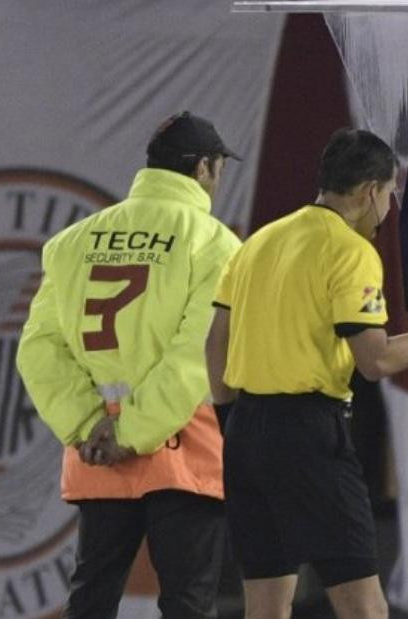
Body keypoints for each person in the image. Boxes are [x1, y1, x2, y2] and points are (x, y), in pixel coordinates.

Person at [205, 128, 408, 619]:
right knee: (365, 608)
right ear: (371, 190)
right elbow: (376, 361)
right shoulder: (350, 252)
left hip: (246, 432)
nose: (389, 209)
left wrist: (231, 423)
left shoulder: (257, 242)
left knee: (265, 607)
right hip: (309, 436)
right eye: (390, 195)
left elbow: (215, 344)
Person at [16, 111, 243, 619]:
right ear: (204, 167)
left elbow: (38, 348)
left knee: (92, 596)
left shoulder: (72, 243)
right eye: (220, 168)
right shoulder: (214, 242)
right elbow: (198, 350)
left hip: (97, 447)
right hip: (185, 445)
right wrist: (136, 431)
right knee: (187, 601)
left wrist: (90, 425)